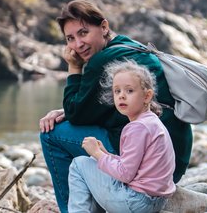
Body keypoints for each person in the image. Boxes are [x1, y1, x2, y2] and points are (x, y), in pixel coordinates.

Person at [39, 0, 192, 213]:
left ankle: (72, 209)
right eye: (70, 38)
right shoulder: (131, 46)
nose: (77, 45)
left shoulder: (101, 61)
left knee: (51, 135)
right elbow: (109, 106)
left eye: (83, 33)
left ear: (104, 27)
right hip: (172, 160)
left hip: (144, 167)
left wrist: (73, 67)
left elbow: (76, 114)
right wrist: (67, 111)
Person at [68, 59, 176, 212]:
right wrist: (105, 154)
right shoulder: (151, 122)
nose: (121, 96)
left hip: (135, 202)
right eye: (117, 91)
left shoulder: (137, 127)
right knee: (94, 162)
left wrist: (97, 153)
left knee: (79, 164)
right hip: (156, 201)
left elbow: (125, 174)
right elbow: (135, 166)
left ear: (147, 96)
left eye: (129, 90)